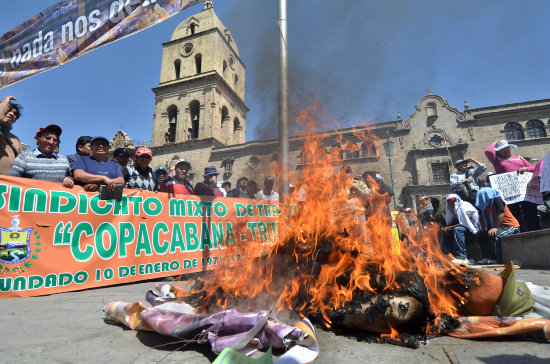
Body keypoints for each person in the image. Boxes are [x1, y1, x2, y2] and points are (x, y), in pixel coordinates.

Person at [485, 140, 540, 232]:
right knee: (514, 213)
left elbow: (533, 167)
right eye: (503, 149)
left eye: (507, 148)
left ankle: (535, 230)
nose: (506, 150)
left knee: (530, 211)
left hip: (525, 190)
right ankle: (519, 232)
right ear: (498, 151)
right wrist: (495, 142)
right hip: (509, 193)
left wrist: (526, 168)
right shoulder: (496, 160)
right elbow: (488, 151)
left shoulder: (519, 157)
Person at [9, 124, 73, 188]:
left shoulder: (64, 159)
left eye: (55, 140)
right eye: (47, 138)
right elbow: (12, 181)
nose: (51, 142)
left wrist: (69, 179)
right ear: (36, 139)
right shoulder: (23, 157)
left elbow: (70, 177)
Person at [475, 188, 520, 264]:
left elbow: (501, 214)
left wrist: (495, 228)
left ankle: (495, 259)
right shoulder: (483, 205)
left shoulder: (496, 200)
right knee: (481, 235)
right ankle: (486, 258)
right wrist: (482, 229)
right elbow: (481, 217)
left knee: (494, 235)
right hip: (499, 226)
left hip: (510, 226)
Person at [441, 194, 480, 266]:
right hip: (465, 230)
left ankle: (461, 257)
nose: (451, 203)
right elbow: (452, 222)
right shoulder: (452, 210)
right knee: (446, 232)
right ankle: (449, 255)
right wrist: (446, 229)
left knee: (458, 229)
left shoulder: (464, 206)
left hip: (474, 229)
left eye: (453, 201)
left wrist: (450, 228)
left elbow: (465, 222)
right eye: (449, 201)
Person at [0, 96, 23, 175]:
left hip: (6, 185)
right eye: (8, 110)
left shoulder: (16, 140)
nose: (11, 114)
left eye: (15, 113)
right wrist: (4, 103)